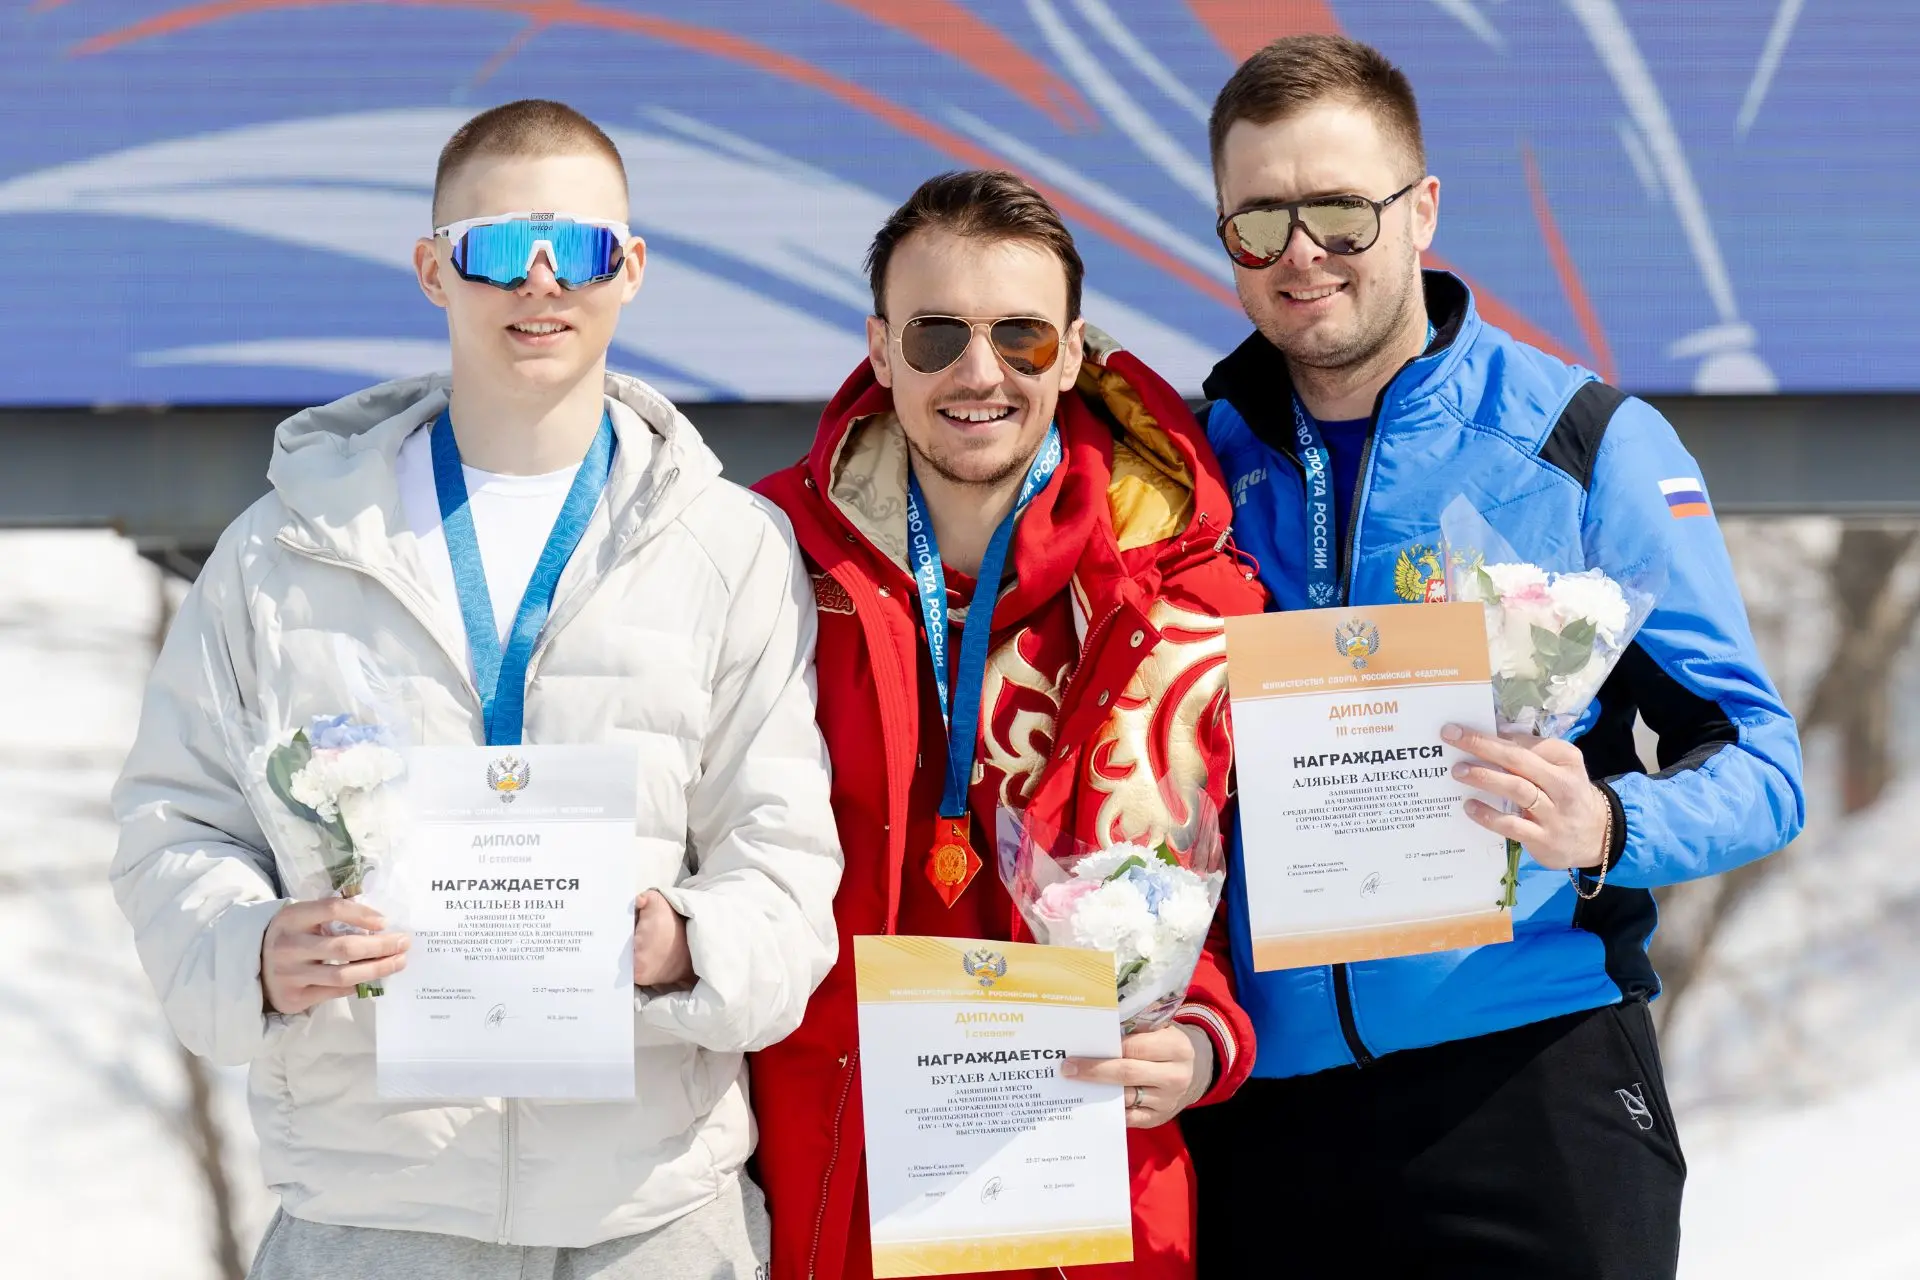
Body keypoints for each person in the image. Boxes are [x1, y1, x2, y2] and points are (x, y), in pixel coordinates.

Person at [110, 99, 842, 1278]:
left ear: (633, 268)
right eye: (500, 246)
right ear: (433, 268)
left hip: (652, 1215)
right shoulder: (285, 550)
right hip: (373, 1207)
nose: (540, 282)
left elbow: (788, 851)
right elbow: (173, 824)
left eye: (582, 248)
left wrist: (687, 942)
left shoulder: (731, 547)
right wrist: (251, 948)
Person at [1180, 35, 1805, 1279]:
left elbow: (1763, 763)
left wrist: (1606, 827)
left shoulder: (1583, 444)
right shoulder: (1190, 470)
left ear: (1421, 211)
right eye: (1260, 222)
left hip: (1529, 1073)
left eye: (1342, 215)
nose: (1302, 254)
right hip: (1263, 1109)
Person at [748, 170, 1266, 1279]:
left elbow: (1250, 883)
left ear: (1074, 352)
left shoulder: (1189, 594)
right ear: (879, 350)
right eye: (938, 336)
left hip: (1085, 1192)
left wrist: (1201, 1036)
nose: (979, 373)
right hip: (829, 1179)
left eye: (1021, 337)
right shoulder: (763, 561)